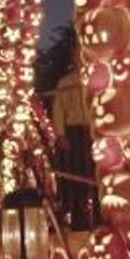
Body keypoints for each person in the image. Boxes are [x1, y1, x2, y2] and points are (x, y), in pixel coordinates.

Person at [50, 58, 93, 228]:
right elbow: (58, 109)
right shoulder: (65, 82)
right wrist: (61, 134)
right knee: (77, 172)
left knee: (93, 169)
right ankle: (78, 213)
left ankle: (95, 211)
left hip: (92, 129)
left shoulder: (94, 77)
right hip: (74, 130)